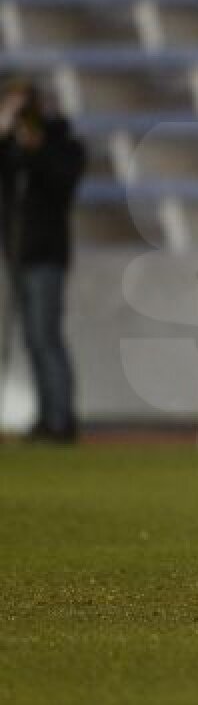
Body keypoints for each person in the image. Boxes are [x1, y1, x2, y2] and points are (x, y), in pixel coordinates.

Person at [0, 81, 85, 444]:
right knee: (31, 340)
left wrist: (35, 146)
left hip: (46, 254)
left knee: (44, 335)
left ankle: (61, 418)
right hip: (17, 254)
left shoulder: (63, 144)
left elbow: (62, 179)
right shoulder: (10, 150)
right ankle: (46, 416)